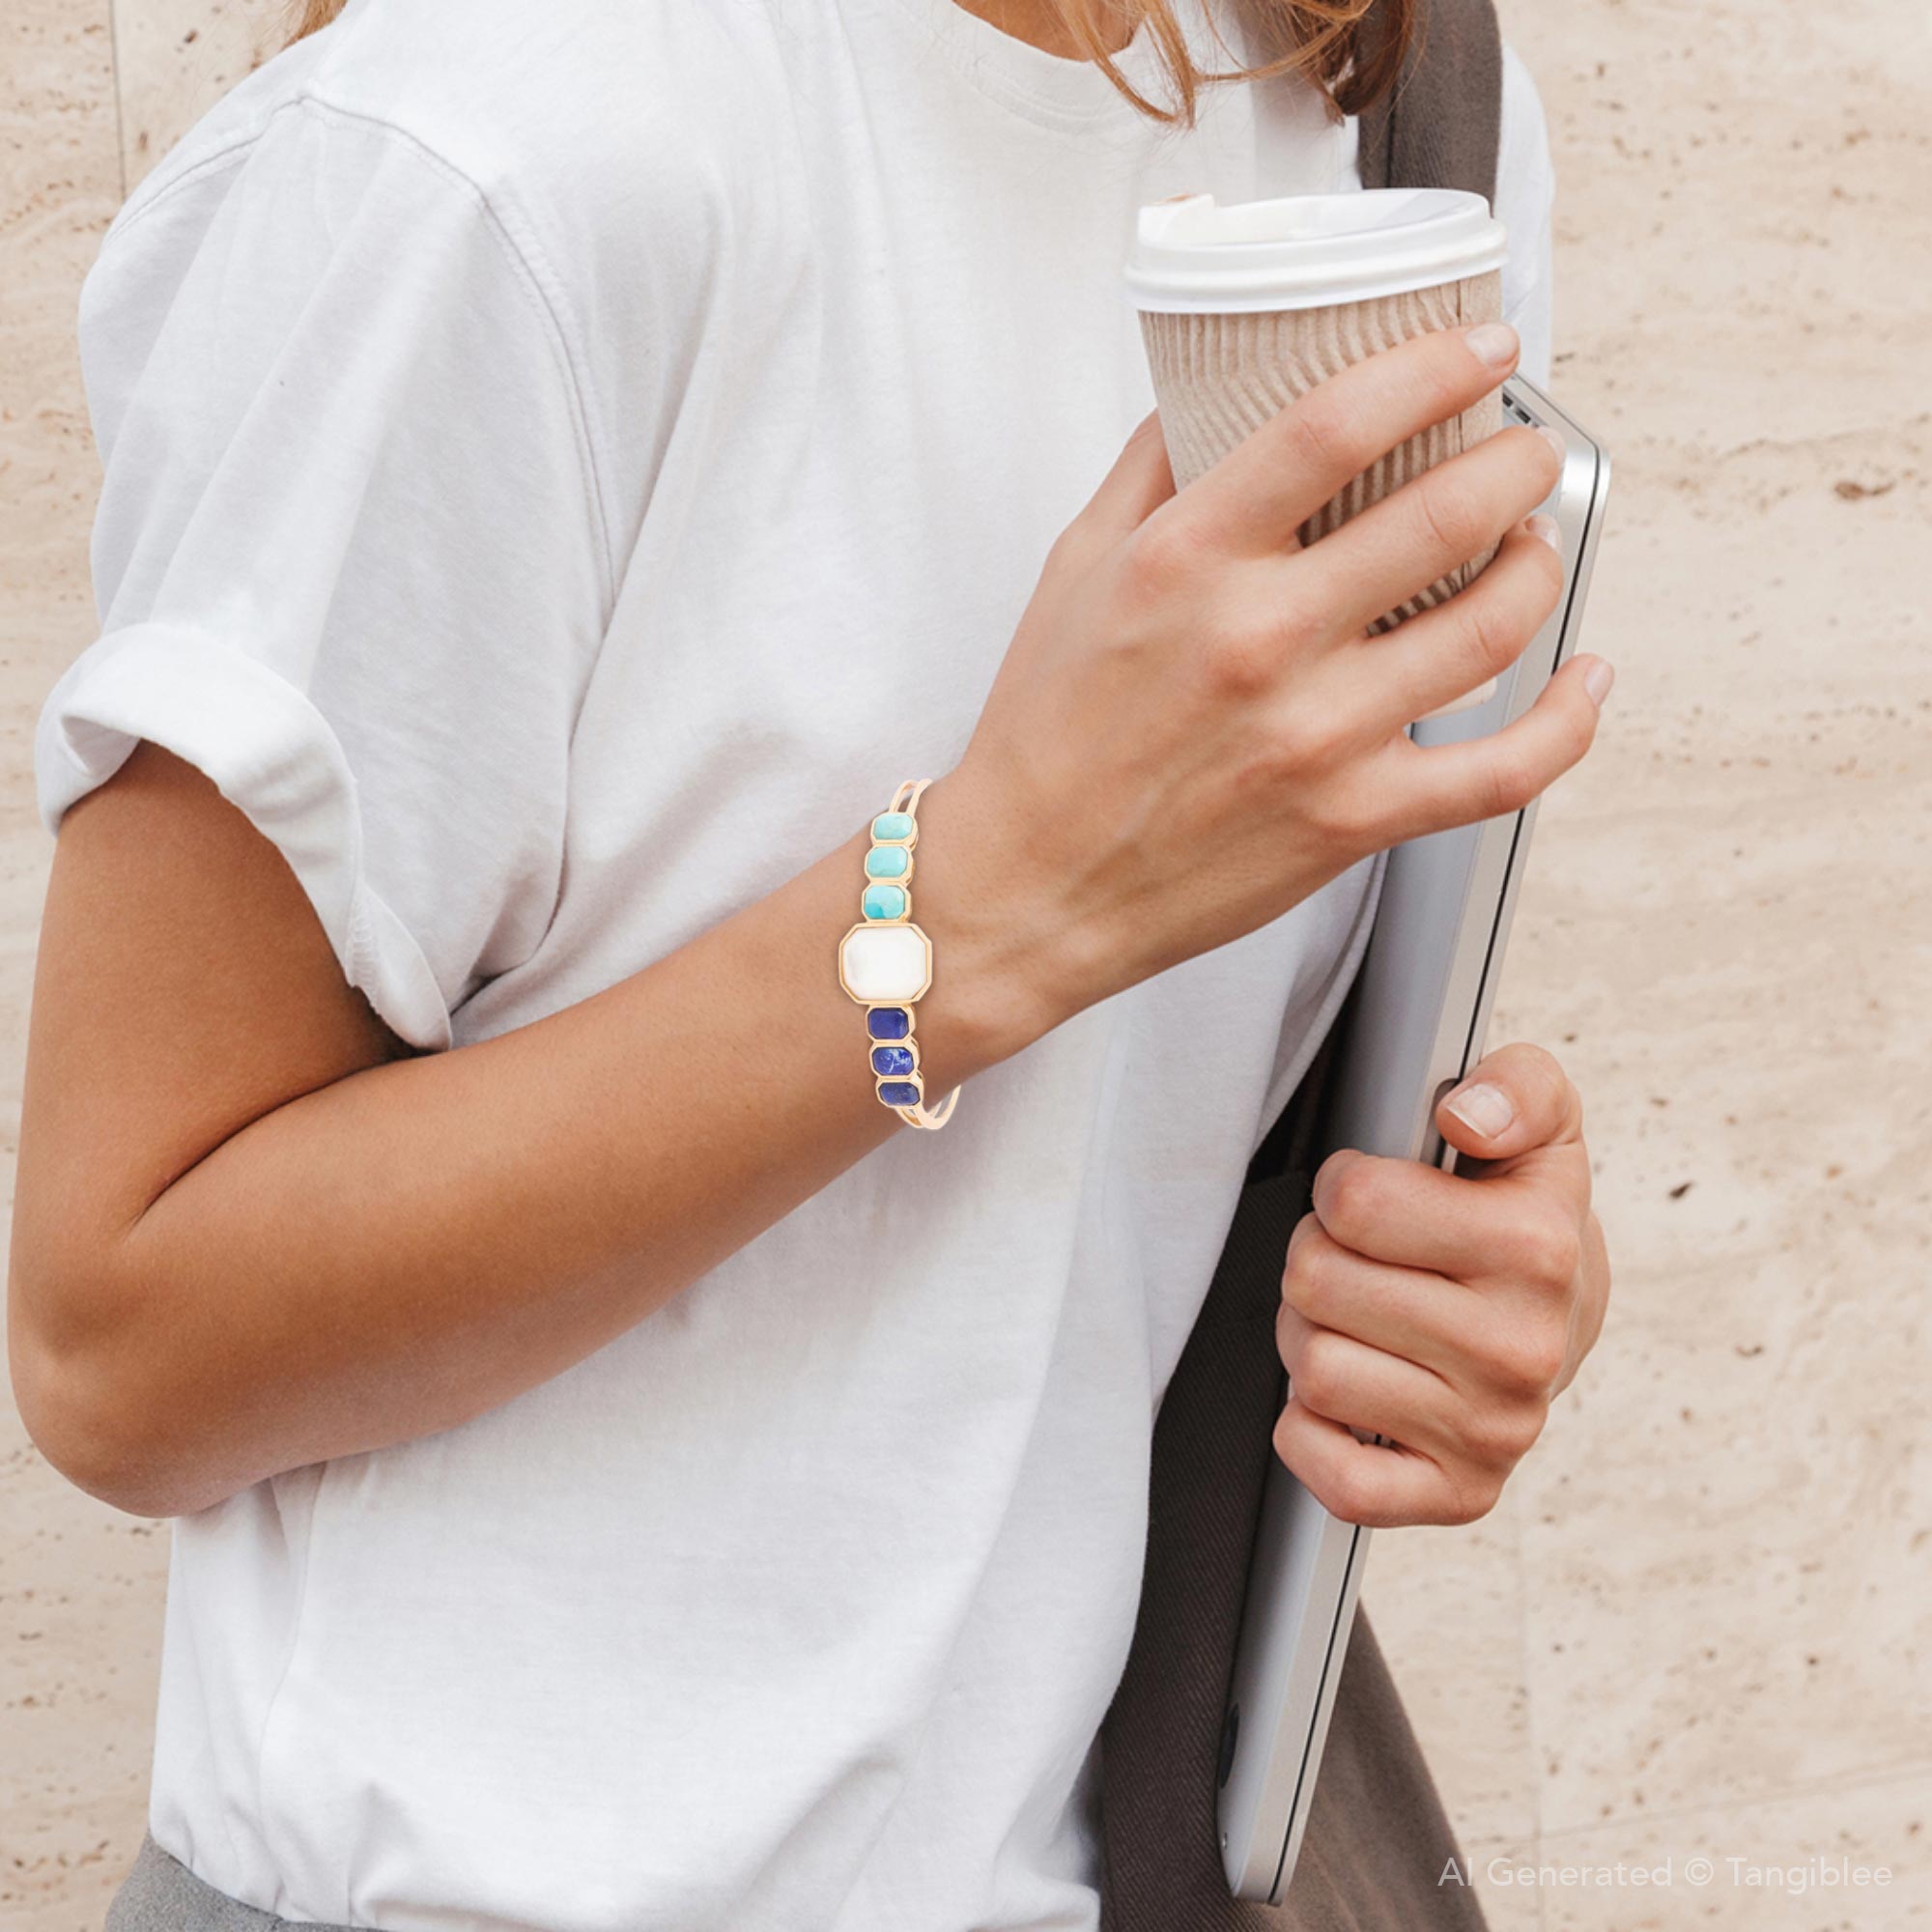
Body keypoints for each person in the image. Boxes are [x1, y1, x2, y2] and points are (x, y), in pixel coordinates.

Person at [12, 0, 1611, 1924]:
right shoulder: (496, 152)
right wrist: (974, 914)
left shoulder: (1391, 127)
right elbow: (118, 1343)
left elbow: (1135, 1165)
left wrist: (1450, 1277)